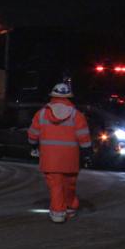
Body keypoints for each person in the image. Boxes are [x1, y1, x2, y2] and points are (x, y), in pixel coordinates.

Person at [27, 83, 92, 223]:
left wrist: (33, 145)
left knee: (55, 186)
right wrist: (87, 152)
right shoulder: (77, 115)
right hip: (70, 158)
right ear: (69, 96)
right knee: (69, 184)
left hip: (49, 158)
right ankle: (70, 207)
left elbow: (33, 134)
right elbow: (83, 137)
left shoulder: (41, 114)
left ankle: (58, 214)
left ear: (53, 95)